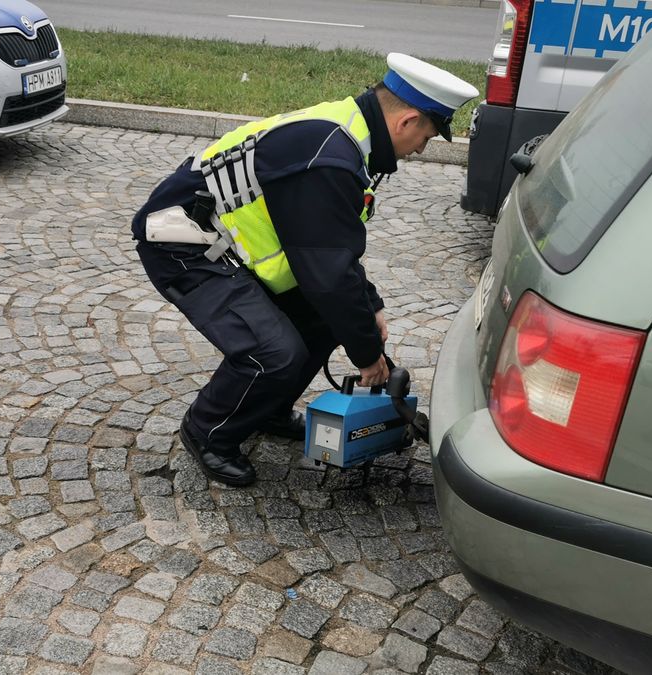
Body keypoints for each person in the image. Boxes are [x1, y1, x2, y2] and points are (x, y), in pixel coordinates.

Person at [131, 53, 478, 487]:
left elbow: (329, 245)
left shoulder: (347, 130)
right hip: (185, 245)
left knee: (321, 320)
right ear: (406, 122)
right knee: (273, 352)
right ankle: (208, 433)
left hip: (229, 244)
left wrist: (369, 307)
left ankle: (266, 410)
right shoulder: (330, 159)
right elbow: (326, 273)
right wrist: (368, 355)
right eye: (425, 137)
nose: (420, 150)